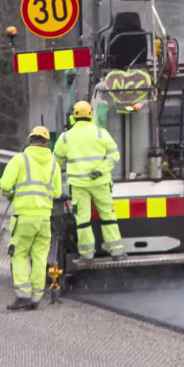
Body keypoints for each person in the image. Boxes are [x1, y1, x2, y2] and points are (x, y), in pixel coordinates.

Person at [0, 125, 64, 311]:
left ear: (30, 140)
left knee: (19, 254)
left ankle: (23, 296)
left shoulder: (20, 159)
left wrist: (12, 195)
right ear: (47, 143)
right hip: (44, 219)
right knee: (40, 257)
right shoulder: (53, 164)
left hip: (25, 217)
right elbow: (57, 191)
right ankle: (36, 298)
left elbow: (5, 184)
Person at [55, 99, 123, 259]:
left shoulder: (65, 138)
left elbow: (54, 163)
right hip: (101, 183)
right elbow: (115, 155)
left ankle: (87, 254)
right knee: (108, 215)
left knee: (83, 219)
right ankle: (117, 250)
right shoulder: (101, 133)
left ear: (73, 117)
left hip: (78, 186)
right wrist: (100, 170)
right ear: (91, 115)